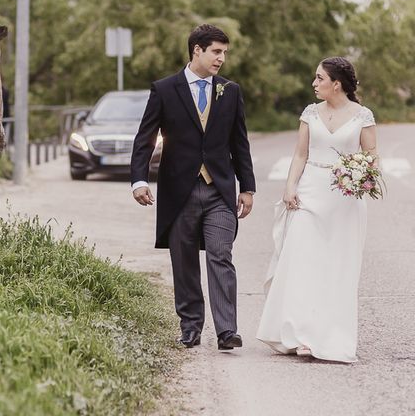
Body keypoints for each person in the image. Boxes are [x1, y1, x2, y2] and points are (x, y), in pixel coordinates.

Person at [131, 24, 256, 350]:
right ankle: (190, 327)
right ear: (197, 50)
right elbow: (145, 138)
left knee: (221, 255)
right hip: (179, 191)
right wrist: (139, 179)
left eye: (224, 53)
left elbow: (239, 142)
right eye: (216, 51)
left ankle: (227, 330)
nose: (222, 59)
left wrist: (247, 187)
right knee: (183, 261)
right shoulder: (165, 89)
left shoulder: (230, 91)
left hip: (219, 191)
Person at [256, 57, 378, 363]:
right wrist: (290, 187)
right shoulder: (310, 113)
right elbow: (300, 154)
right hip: (310, 193)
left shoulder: (362, 115)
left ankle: (327, 334)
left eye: (319, 78)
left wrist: (363, 176)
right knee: (302, 261)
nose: (314, 83)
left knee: (336, 266)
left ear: (336, 83)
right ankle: (299, 334)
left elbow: (371, 154)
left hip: (345, 200)